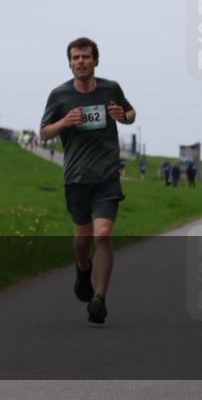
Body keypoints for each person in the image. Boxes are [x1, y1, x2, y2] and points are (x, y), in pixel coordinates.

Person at [40, 37, 136, 325]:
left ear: (96, 60)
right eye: (75, 58)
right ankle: (83, 269)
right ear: (69, 63)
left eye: (85, 57)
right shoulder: (59, 96)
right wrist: (64, 123)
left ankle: (99, 299)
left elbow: (130, 112)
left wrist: (124, 116)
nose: (80, 61)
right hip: (77, 178)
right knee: (83, 240)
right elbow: (44, 133)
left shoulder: (110, 88)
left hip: (107, 175)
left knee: (102, 236)